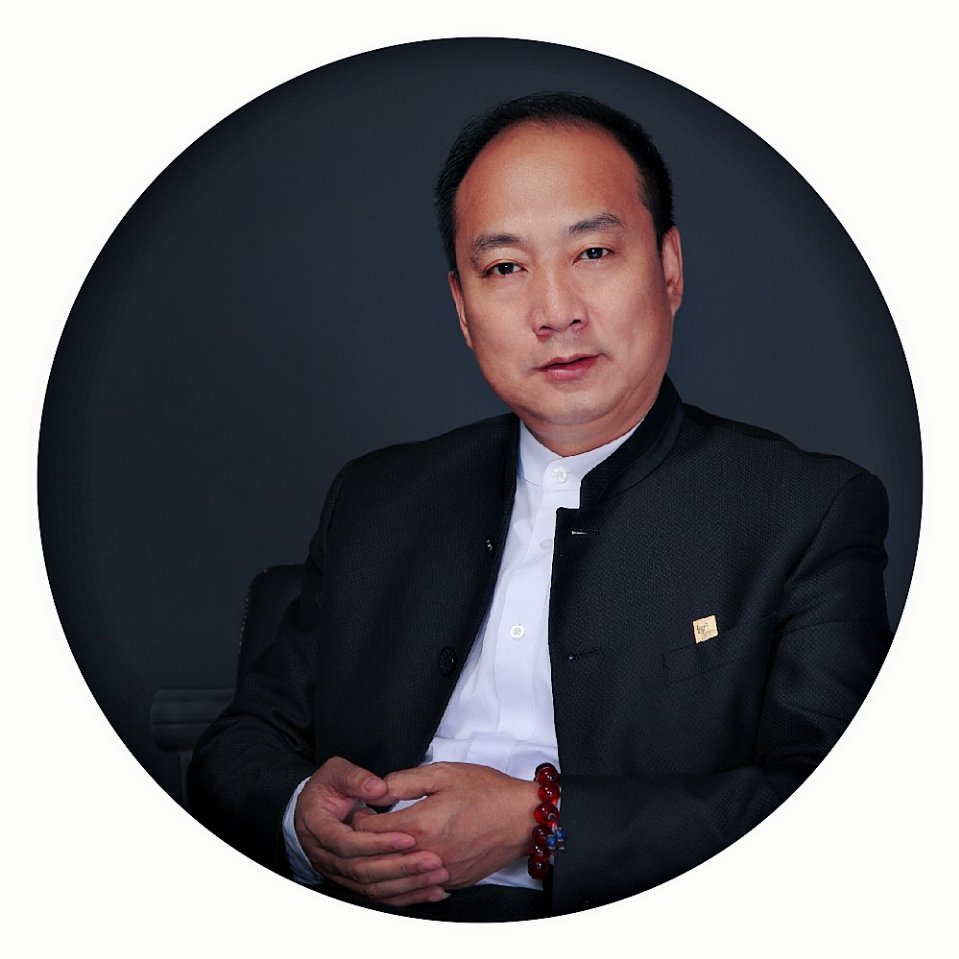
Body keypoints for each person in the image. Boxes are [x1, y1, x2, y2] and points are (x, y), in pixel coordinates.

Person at [187, 92, 891, 921]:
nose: (555, 312)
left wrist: (540, 822)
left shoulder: (803, 510)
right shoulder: (378, 496)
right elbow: (241, 743)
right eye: (504, 268)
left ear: (668, 268)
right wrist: (302, 818)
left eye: (592, 252)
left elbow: (826, 806)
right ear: (462, 308)